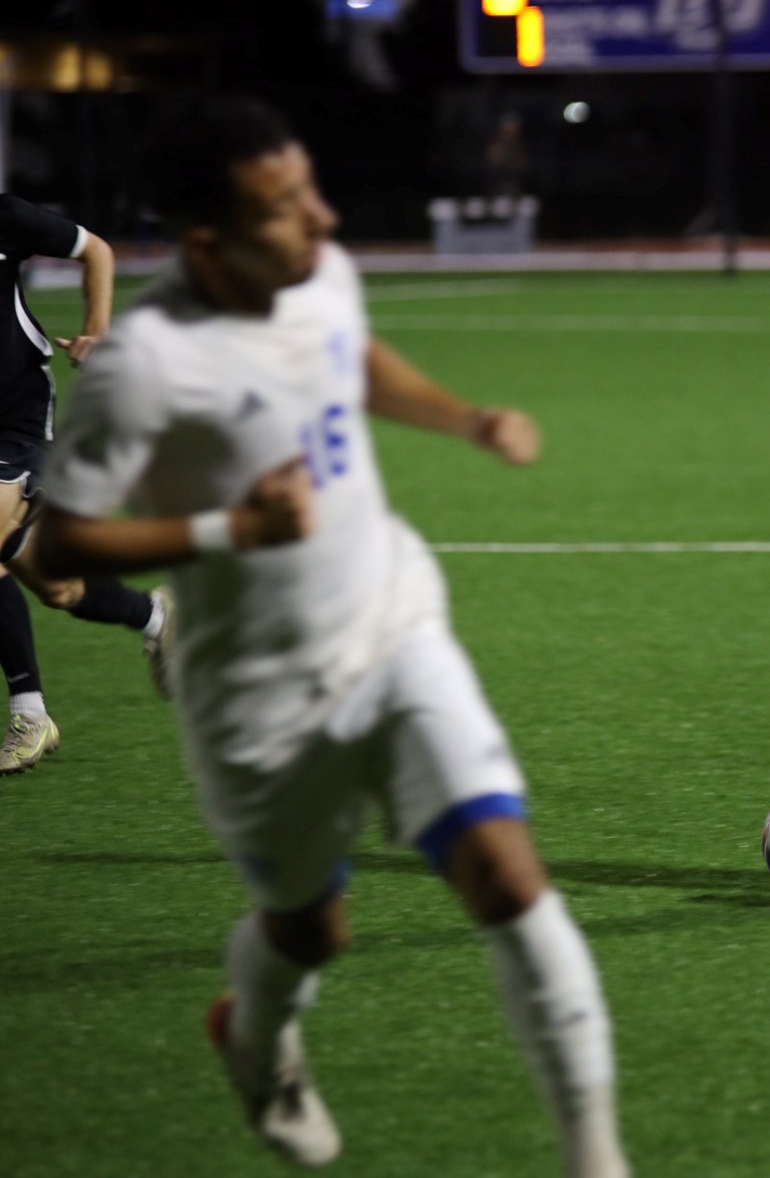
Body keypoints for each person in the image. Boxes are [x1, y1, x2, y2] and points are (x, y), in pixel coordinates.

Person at [33, 98, 629, 1177]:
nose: (322, 216)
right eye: (284, 205)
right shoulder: (146, 364)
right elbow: (62, 540)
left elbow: (350, 359)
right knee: (313, 928)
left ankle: (596, 1157)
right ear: (208, 239)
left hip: (390, 622)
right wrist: (228, 528)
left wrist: (465, 417)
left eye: (311, 186)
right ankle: (255, 1037)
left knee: (506, 876)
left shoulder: (322, 275)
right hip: (255, 697)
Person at [0, 192, 173, 776]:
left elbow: (96, 250)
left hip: (15, 423)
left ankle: (29, 714)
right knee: (59, 588)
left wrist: (97, 330)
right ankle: (155, 617)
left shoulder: (6, 218)